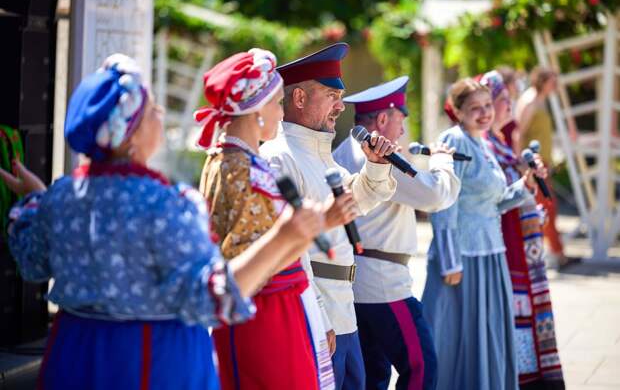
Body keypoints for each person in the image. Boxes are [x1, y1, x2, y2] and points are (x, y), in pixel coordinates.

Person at [0, 54, 325, 390]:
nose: (161, 115)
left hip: (74, 356)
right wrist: (285, 238)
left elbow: (31, 260)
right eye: (152, 111)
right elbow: (211, 298)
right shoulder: (167, 205)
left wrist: (35, 198)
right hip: (148, 361)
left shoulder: (62, 199)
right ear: (130, 136)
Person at [260, 43, 398, 390]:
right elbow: (292, 250)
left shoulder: (319, 154)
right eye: (331, 95)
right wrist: (318, 315)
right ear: (300, 99)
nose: (340, 105)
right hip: (320, 312)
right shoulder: (281, 158)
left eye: (341, 96)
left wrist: (376, 166)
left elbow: (356, 204)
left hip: (343, 309)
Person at [196, 48, 335, 390]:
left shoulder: (243, 162)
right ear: (256, 110)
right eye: (276, 104)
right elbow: (242, 257)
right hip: (262, 312)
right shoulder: (236, 168)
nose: (279, 112)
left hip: (279, 307)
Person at [333, 76, 461, 390]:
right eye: (400, 119)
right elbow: (434, 196)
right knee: (421, 367)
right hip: (385, 285)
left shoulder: (341, 151)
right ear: (382, 119)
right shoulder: (380, 155)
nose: (402, 130)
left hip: (358, 281)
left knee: (373, 376)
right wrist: (443, 162)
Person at [422, 78, 546, 390]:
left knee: (487, 334)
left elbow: (497, 202)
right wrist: (450, 261)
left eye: (488, 106)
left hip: (491, 253)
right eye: (475, 108)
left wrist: (527, 184)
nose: (484, 113)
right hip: (463, 258)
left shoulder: (485, 143)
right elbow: (444, 202)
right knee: (455, 337)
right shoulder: (454, 141)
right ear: (458, 112)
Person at [482, 70, 565, 389]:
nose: (507, 106)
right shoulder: (487, 144)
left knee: (526, 310)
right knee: (515, 313)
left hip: (519, 240)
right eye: (502, 100)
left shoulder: (498, 142)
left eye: (506, 100)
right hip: (506, 242)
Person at [514, 67, 577, 267]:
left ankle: (554, 253)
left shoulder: (541, 100)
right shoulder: (530, 100)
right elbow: (518, 133)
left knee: (547, 207)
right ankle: (555, 255)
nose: (556, 85)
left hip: (542, 163)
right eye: (552, 81)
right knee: (545, 207)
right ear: (542, 81)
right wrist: (521, 163)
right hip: (532, 165)